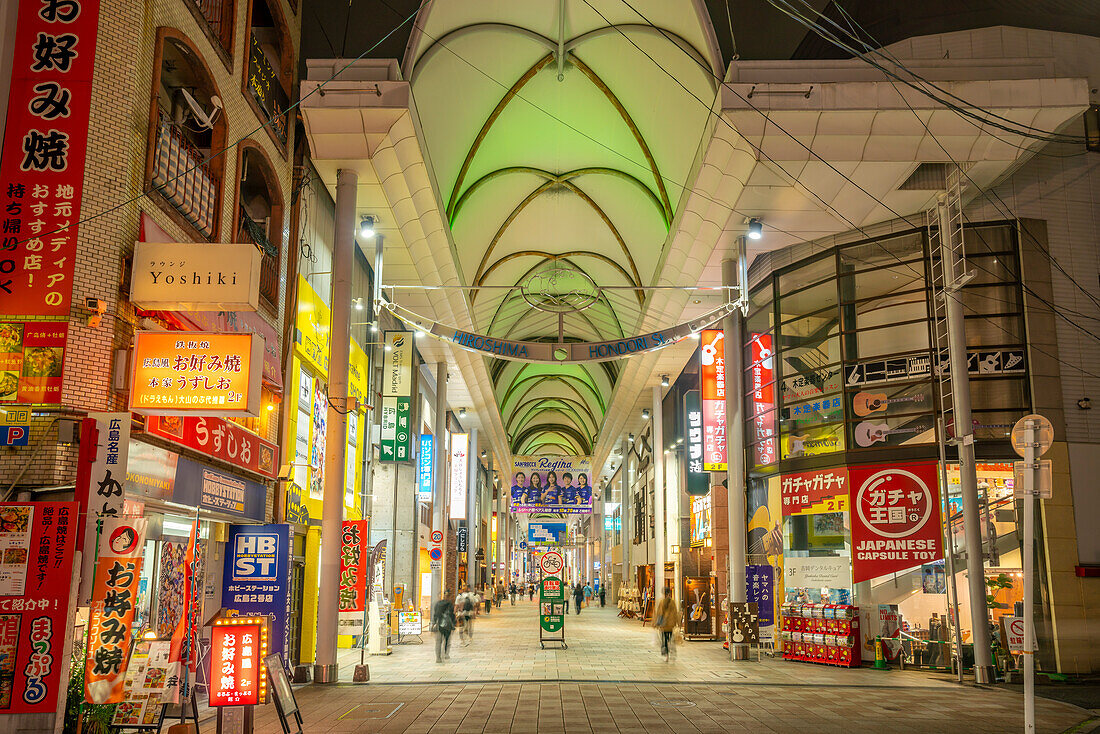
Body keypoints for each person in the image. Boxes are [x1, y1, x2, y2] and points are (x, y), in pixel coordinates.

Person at [654, 586, 681, 660]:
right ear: (669, 593)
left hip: (664, 624)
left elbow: (659, 613)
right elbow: (675, 613)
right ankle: (671, 650)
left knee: (664, 639)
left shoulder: (661, 602)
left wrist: (656, 623)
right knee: (670, 638)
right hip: (670, 624)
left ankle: (666, 654)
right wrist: (678, 623)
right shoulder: (672, 602)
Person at [431, 591, 457, 663]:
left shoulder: (437, 604)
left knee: (438, 642)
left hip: (439, 624)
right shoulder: (450, 604)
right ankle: (446, 654)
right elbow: (452, 614)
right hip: (448, 625)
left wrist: (433, 623)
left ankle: (438, 658)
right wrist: (454, 624)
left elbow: (435, 615)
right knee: (447, 640)